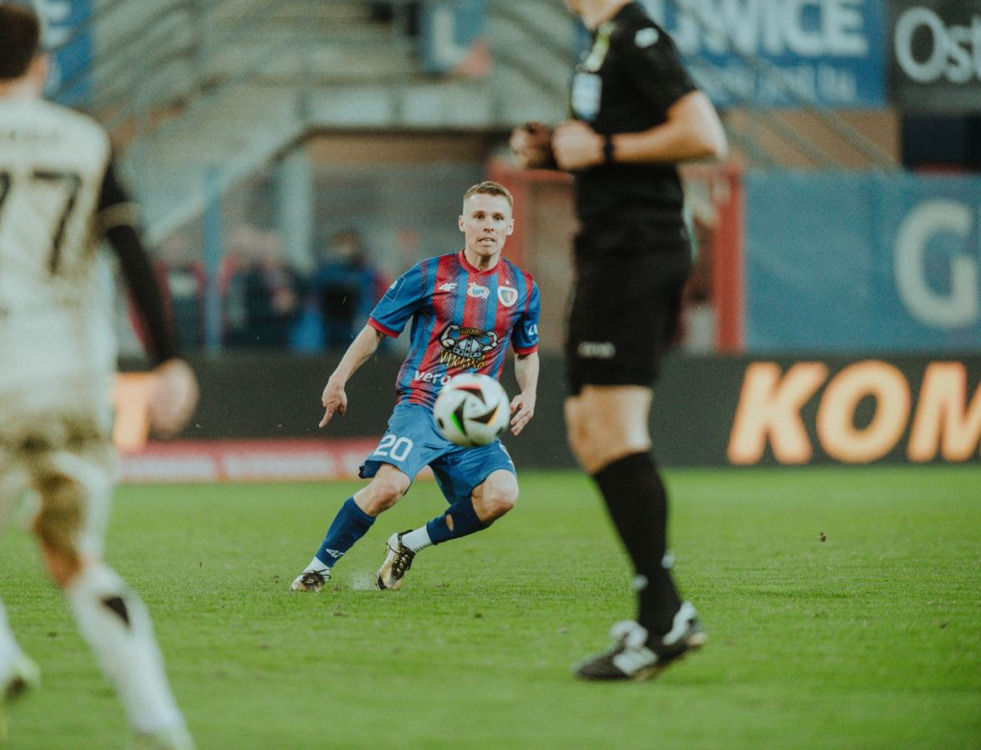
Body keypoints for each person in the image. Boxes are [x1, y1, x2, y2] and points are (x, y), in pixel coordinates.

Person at [0, 5, 199, 748]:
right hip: (75, 375)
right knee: (75, 558)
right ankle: (158, 722)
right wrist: (167, 358)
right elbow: (132, 252)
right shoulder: (84, 139)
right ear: (42, 67)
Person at [510, 0, 727, 681]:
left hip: (638, 250)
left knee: (613, 428)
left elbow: (704, 134)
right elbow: (617, 140)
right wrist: (557, 150)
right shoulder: (601, 40)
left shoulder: (635, 35)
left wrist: (603, 149)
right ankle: (664, 612)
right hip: (606, 251)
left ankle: (662, 619)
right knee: (588, 429)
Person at [290, 181, 540, 592]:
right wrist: (338, 378)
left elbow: (526, 352)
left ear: (509, 226)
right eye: (479, 216)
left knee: (501, 496)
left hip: (472, 419)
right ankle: (317, 568)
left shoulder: (523, 288)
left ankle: (408, 544)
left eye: (497, 218)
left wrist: (528, 392)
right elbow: (376, 329)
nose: (488, 225)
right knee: (388, 488)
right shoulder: (428, 274)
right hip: (422, 405)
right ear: (463, 223)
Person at [314, 229, 387, 350]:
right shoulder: (326, 271)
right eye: (341, 244)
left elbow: (367, 298)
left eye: (349, 244)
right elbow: (318, 295)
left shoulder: (364, 271)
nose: (345, 249)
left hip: (355, 320)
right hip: (328, 322)